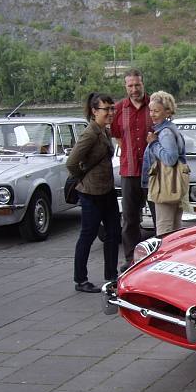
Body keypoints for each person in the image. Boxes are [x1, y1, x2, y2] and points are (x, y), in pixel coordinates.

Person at [68, 93, 120, 293]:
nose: (110, 113)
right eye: (106, 109)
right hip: (91, 194)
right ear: (94, 111)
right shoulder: (90, 133)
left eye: (112, 108)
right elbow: (71, 162)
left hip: (107, 191)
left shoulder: (104, 131)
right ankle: (81, 279)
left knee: (113, 233)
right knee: (88, 235)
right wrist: (82, 177)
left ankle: (111, 276)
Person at [111, 69, 152, 271]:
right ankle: (131, 260)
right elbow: (118, 136)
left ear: (143, 84)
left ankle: (159, 258)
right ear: (125, 87)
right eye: (130, 86)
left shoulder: (154, 105)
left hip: (153, 172)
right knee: (129, 218)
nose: (134, 89)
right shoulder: (119, 109)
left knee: (159, 217)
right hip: (129, 171)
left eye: (137, 85)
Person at [142, 91, 187, 235]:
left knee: (164, 228)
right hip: (173, 184)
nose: (152, 114)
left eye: (156, 111)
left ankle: (165, 251)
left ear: (167, 112)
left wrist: (153, 143)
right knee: (175, 227)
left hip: (165, 184)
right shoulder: (170, 128)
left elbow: (170, 159)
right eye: (151, 110)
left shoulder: (165, 132)